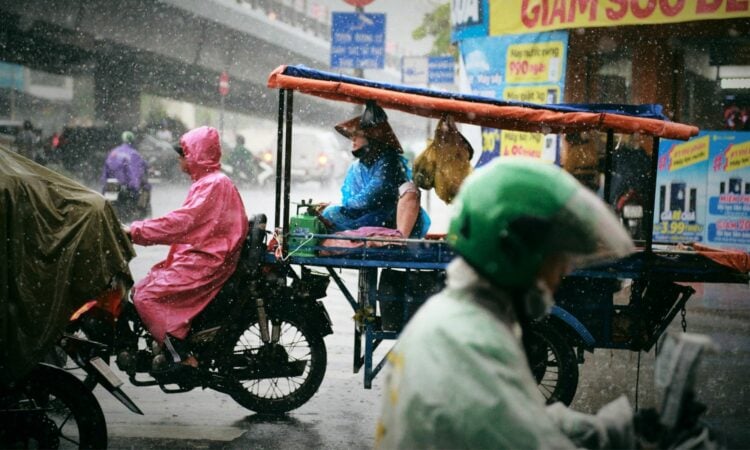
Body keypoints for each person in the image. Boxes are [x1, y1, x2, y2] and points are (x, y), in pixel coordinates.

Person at [375, 157, 637, 449]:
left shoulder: (463, 319)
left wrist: (601, 430)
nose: (562, 273)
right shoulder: (470, 340)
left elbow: (515, 417)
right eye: (555, 259)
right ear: (515, 252)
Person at [124, 126, 248, 368]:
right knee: (142, 288)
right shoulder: (209, 182)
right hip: (200, 255)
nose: (180, 158)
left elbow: (181, 222)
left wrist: (137, 231)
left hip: (208, 260)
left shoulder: (213, 184)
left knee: (147, 297)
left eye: (184, 153)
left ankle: (181, 356)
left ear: (196, 155)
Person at [320, 101, 430, 238]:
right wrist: (343, 208)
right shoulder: (357, 166)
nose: (353, 139)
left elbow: (373, 195)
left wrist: (349, 206)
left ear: (371, 138)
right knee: (329, 214)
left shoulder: (389, 161)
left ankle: (394, 239)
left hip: (387, 218)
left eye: (357, 135)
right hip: (361, 216)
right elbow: (348, 196)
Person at [101, 131, 151, 222]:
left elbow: (105, 172)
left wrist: (105, 184)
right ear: (132, 140)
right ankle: (140, 216)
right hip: (126, 188)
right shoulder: (134, 154)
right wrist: (136, 187)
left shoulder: (113, 152)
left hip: (110, 186)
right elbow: (136, 174)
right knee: (146, 189)